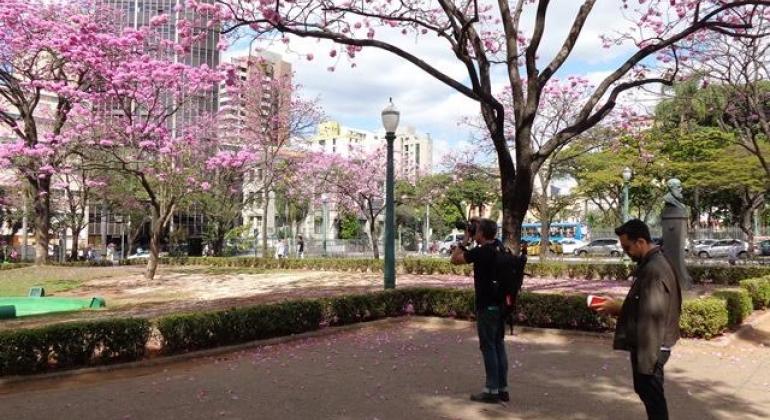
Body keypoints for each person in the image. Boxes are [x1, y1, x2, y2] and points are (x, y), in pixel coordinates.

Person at [592, 219, 682, 420]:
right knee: (650, 396)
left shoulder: (653, 269)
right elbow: (645, 308)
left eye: (627, 247)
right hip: (653, 345)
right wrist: (619, 307)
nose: (626, 252)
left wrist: (646, 362)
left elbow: (652, 317)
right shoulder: (653, 263)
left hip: (652, 347)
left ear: (641, 242)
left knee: (653, 399)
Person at [450, 218, 509, 404]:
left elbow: (454, 260)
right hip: (501, 306)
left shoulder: (482, 252)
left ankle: (491, 390)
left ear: (481, 233)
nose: (475, 232)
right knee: (498, 345)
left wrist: (465, 240)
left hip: (486, 306)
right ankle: (502, 388)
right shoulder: (500, 247)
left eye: (477, 230)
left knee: (488, 346)